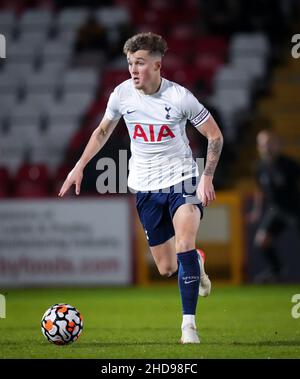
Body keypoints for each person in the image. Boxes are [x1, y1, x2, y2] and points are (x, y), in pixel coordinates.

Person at [59, 32, 223, 344]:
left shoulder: (180, 98)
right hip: (145, 187)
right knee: (165, 267)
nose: (134, 69)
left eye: (140, 63)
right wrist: (79, 165)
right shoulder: (121, 94)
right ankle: (196, 263)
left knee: (184, 243)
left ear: (158, 65)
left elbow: (214, 136)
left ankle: (188, 326)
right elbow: (102, 131)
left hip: (182, 179)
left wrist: (206, 176)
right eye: (130, 63)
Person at [248, 130, 300, 283]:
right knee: (262, 241)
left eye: (270, 144)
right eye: (263, 145)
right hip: (276, 210)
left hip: (295, 209)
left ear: (278, 145)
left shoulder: (290, 165)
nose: (267, 148)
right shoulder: (259, 167)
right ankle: (276, 270)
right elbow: (259, 190)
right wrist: (256, 211)